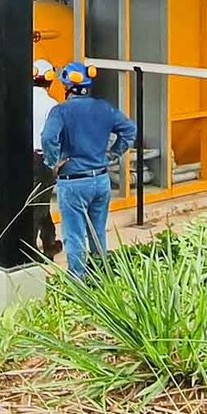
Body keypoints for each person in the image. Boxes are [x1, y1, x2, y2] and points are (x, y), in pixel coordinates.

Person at [40, 61, 137, 278]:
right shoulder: (104, 108)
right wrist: (112, 154)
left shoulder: (60, 111)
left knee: (74, 235)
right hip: (101, 180)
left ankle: (78, 281)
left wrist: (53, 161)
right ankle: (101, 275)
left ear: (66, 86)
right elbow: (130, 130)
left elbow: (48, 137)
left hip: (73, 182)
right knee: (97, 231)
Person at [28, 58, 63, 259]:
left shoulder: (21, 98)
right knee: (39, 204)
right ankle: (31, 249)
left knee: (40, 201)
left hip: (22, 156)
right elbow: (54, 136)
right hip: (42, 158)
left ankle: (49, 241)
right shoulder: (52, 105)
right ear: (49, 79)